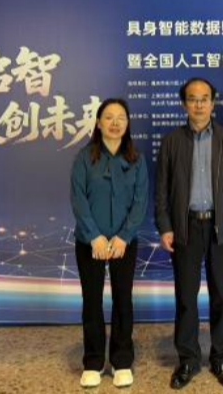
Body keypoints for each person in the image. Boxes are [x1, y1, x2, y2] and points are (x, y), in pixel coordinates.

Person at [155, 77, 223, 390]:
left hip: (221, 228)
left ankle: (221, 359)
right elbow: (161, 189)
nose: (199, 104)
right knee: (186, 297)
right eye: (193, 99)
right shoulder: (171, 141)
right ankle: (188, 359)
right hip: (185, 228)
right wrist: (165, 226)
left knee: (221, 295)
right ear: (184, 104)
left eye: (204, 98)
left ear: (213, 102)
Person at [70, 98, 148, 388]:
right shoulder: (84, 158)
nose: (115, 123)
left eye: (121, 118)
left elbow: (140, 202)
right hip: (90, 243)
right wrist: (94, 236)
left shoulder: (136, 159)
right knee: (91, 302)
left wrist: (123, 236)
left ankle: (121, 360)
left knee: (123, 301)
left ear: (127, 124)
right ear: (99, 123)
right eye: (109, 117)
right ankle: (92, 362)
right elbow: (78, 199)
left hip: (123, 243)